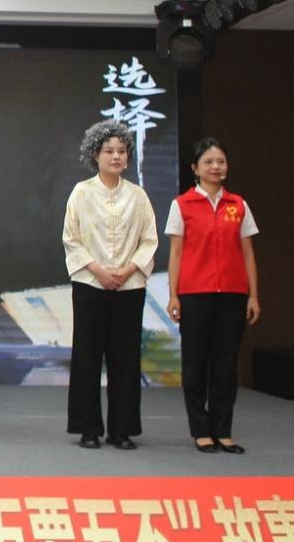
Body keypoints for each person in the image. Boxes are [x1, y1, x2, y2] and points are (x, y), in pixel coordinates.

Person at [62, 120, 158, 451]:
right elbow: (71, 239)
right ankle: (88, 428)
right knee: (87, 355)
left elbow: (149, 240)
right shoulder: (81, 192)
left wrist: (128, 270)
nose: (116, 156)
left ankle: (122, 430)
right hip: (90, 283)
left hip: (129, 286)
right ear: (95, 154)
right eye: (108, 151)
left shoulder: (138, 196)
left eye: (121, 151)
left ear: (128, 157)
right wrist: (99, 271)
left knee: (125, 358)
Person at [166, 137, 260, 454]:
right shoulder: (182, 205)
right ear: (195, 168)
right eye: (208, 162)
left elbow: (247, 253)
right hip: (195, 294)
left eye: (220, 161)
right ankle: (200, 430)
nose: (215, 167)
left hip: (233, 294)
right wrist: (174, 295)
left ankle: (223, 430)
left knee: (225, 365)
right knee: (195, 365)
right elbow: (176, 253)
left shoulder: (238, 205)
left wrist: (253, 296)